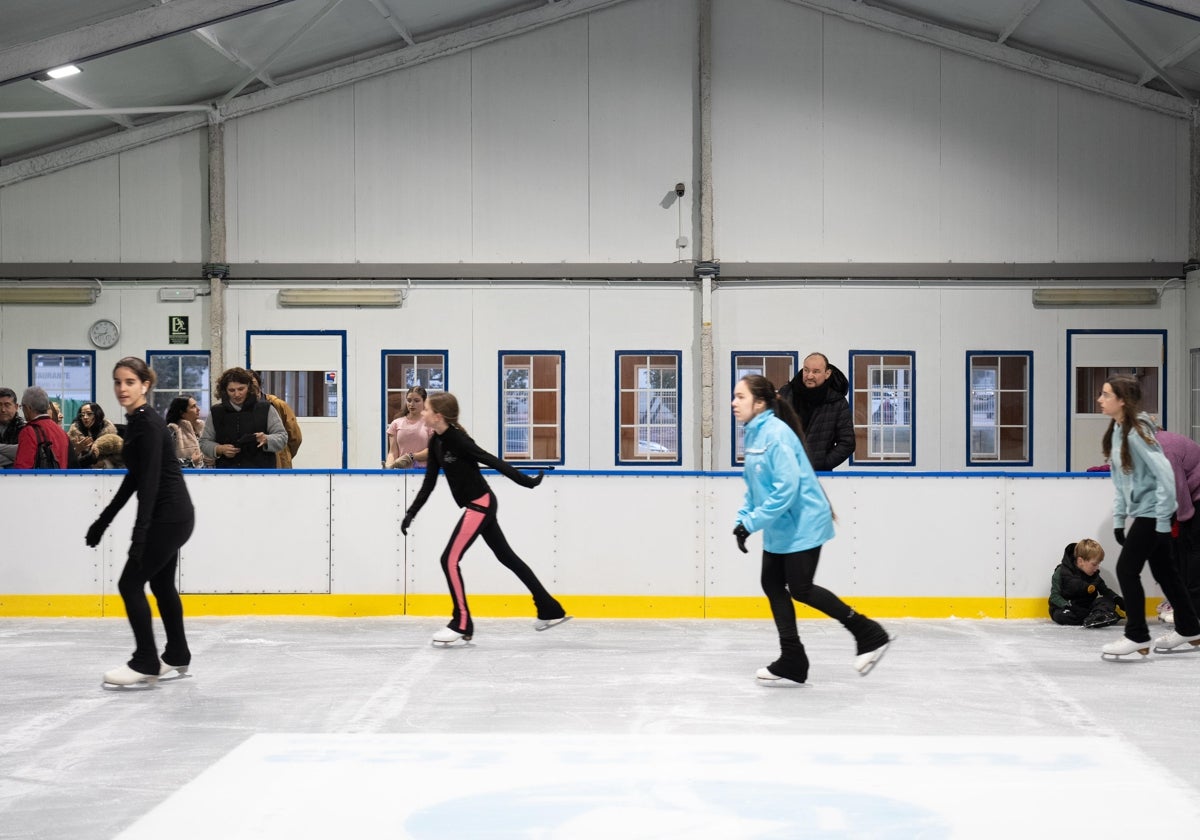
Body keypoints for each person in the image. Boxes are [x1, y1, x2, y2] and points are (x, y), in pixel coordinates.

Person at [732, 374, 890, 683]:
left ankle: (868, 632)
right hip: (781, 523)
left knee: (800, 588)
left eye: (740, 397)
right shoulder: (753, 435)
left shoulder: (775, 434)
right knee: (772, 583)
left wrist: (752, 522)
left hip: (804, 519)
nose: (734, 403)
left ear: (760, 403)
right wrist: (743, 519)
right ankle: (793, 658)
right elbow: (754, 487)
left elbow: (787, 488)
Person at [400, 392, 569, 646]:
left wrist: (527, 482)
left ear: (438, 416)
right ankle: (550, 608)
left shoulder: (458, 440)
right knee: (507, 557)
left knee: (449, 559)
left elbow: (491, 460)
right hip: (479, 504)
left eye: (426, 410)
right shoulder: (436, 443)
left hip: (481, 504)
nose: (421, 413)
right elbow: (429, 483)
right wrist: (411, 513)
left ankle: (462, 622)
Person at [85, 357, 195, 688]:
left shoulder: (146, 424)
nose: (122, 388)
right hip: (174, 515)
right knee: (160, 585)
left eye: (130, 382)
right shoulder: (139, 421)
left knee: (129, 584)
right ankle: (176, 654)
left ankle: (145, 659)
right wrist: (103, 521)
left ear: (145, 385)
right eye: (118, 382)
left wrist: (139, 536)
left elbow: (147, 486)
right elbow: (134, 477)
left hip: (168, 516)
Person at [1097, 375, 1200, 658]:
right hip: (1147, 512)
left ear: (1122, 401)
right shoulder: (1119, 431)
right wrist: (1119, 519)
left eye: (1106, 395)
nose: (1100, 400)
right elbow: (1121, 480)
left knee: (1126, 570)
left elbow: (1166, 474)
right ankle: (1190, 626)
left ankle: (1137, 635)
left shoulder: (1136, 433)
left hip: (1154, 513)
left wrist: (1165, 520)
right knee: (1166, 572)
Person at [777, 353, 855, 471]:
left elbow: (847, 443)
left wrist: (821, 464)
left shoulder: (837, 403)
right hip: (784, 472)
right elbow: (771, 430)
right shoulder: (785, 394)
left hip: (818, 476)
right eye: (806, 370)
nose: (809, 376)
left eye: (816, 371)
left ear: (827, 374)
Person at [199, 367, 287, 469]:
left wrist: (267, 439)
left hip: (262, 473)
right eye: (231, 390)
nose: (237, 394)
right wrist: (219, 449)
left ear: (249, 387)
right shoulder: (216, 412)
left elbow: (283, 437)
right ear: (224, 391)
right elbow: (204, 442)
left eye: (241, 389)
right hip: (227, 473)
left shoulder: (266, 408)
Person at [1155, 428, 1200, 624]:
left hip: (1194, 501)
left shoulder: (1165, 449)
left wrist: (1181, 520)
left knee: (1192, 552)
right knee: (1182, 551)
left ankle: (1192, 610)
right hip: (1190, 500)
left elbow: (1179, 488)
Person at [1048, 539, 1125, 627]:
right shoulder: (1061, 572)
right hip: (1069, 608)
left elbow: (1105, 591)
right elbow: (1054, 596)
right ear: (1081, 561)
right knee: (1060, 615)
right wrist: (1069, 606)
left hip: (1087, 607)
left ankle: (1097, 616)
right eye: (1094, 564)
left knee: (1107, 601)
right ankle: (1095, 617)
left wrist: (1118, 599)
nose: (1097, 568)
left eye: (1098, 564)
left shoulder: (1094, 574)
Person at [251, 371, 303, 468]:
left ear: (259, 387)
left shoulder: (277, 405)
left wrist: (284, 454)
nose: (252, 391)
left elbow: (295, 437)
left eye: (254, 386)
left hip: (278, 462)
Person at [14, 387, 70, 469]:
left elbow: (22, 468)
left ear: (28, 408)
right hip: (60, 480)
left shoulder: (29, 431)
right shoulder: (61, 432)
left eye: (22, 407)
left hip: (38, 481)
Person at [385, 386, 433, 469]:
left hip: (423, 471)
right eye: (409, 400)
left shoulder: (430, 424)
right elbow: (392, 453)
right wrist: (388, 467)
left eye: (416, 401)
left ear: (424, 402)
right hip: (401, 472)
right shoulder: (396, 423)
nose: (412, 404)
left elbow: (432, 450)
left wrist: (411, 457)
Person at [165, 396, 207, 468]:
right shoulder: (173, 430)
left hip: (205, 477)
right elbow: (165, 461)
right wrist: (191, 462)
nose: (198, 409)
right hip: (184, 477)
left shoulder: (202, 429)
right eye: (193, 407)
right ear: (182, 413)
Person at [0, 386, 27, 468]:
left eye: (7, 405)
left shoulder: (24, 428)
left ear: (16, 407)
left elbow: (23, 454)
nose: (3, 410)